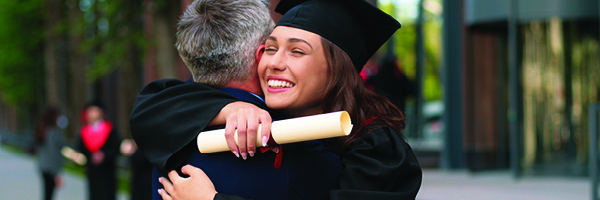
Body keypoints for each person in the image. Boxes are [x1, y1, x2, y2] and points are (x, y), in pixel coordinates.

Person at [133, 0, 422, 199]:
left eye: (297, 52)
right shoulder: (262, 113)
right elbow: (155, 102)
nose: (274, 63)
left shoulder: (377, 150)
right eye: (270, 49)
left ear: (337, 69)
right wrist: (231, 107)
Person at [76, 103, 121, 200]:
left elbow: (117, 148)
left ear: (101, 112)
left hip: (107, 171)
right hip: (93, 172)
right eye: (90, 111)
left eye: (94, 110)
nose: (91, 114)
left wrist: (104, 155)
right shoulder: (84, 131)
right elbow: (81, 150)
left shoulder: (110, 129)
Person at [35, 106, 67, 200]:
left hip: (44, 166)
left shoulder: (42, 129)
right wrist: (57, 173)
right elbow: (53, 152)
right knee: (49, 195)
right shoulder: (52, 132)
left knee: (47, 194)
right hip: (51, 168)